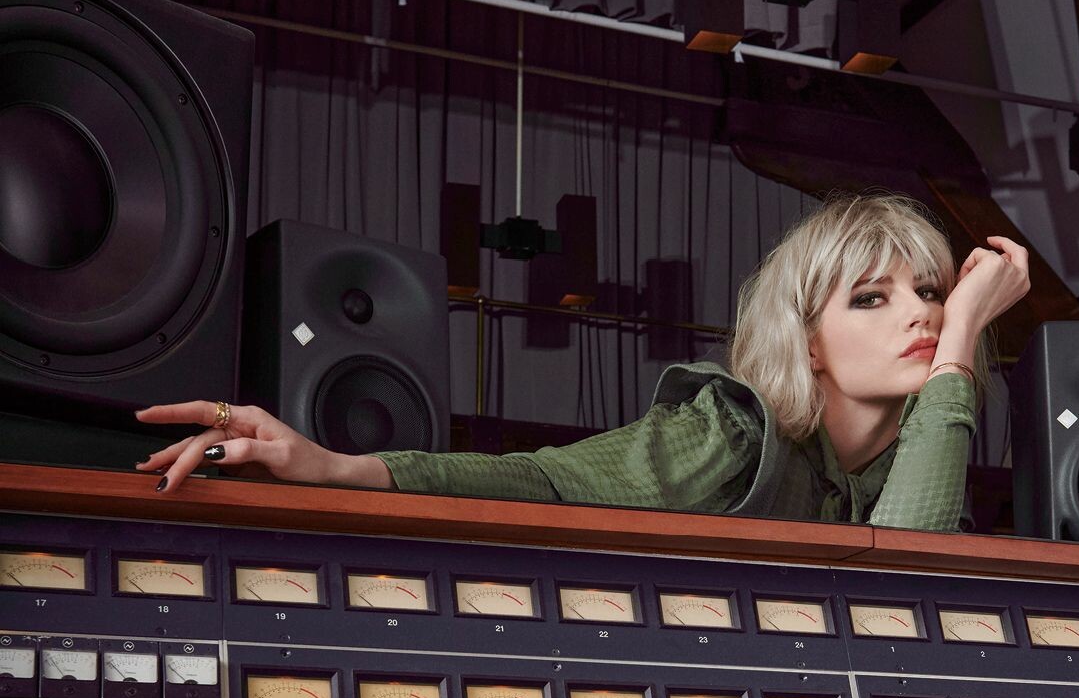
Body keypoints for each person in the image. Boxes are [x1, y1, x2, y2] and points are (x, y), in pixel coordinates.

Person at [136, 192, 1029, 531]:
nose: (920, 313)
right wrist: (335, 468)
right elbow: (545, 481)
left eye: (931, 293)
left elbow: (906, 568)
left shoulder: (910, 464)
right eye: (870, 297)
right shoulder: (726, 438)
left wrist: (957, 340)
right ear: (805, 341)